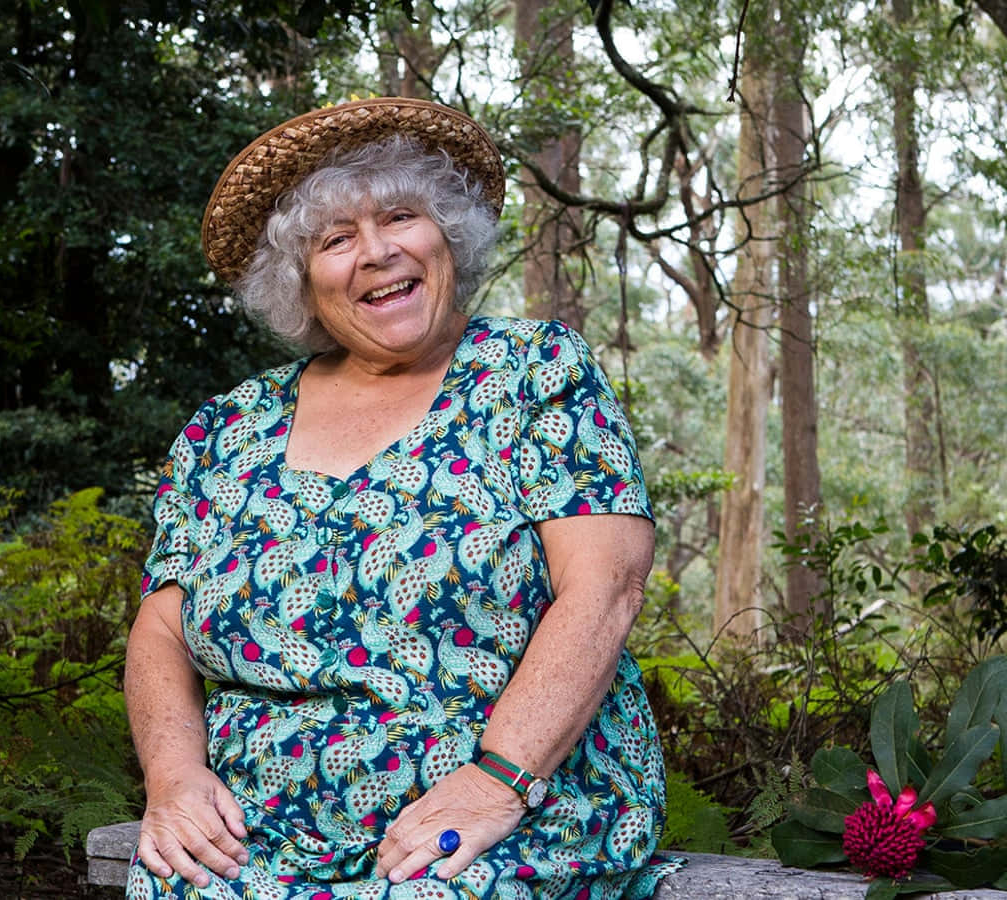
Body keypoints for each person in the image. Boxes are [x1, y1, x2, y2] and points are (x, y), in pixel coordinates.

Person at [123, 97, 680, 900]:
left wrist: (496, 781)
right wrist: (174, 780)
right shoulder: (230, 428)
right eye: (336, 239)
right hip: (259, 836)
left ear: (447, 231)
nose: (377, 253)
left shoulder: (533, 372)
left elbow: (606, 588)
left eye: (399, 216)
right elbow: (161, 625)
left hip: (501, 820)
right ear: (303, 282)